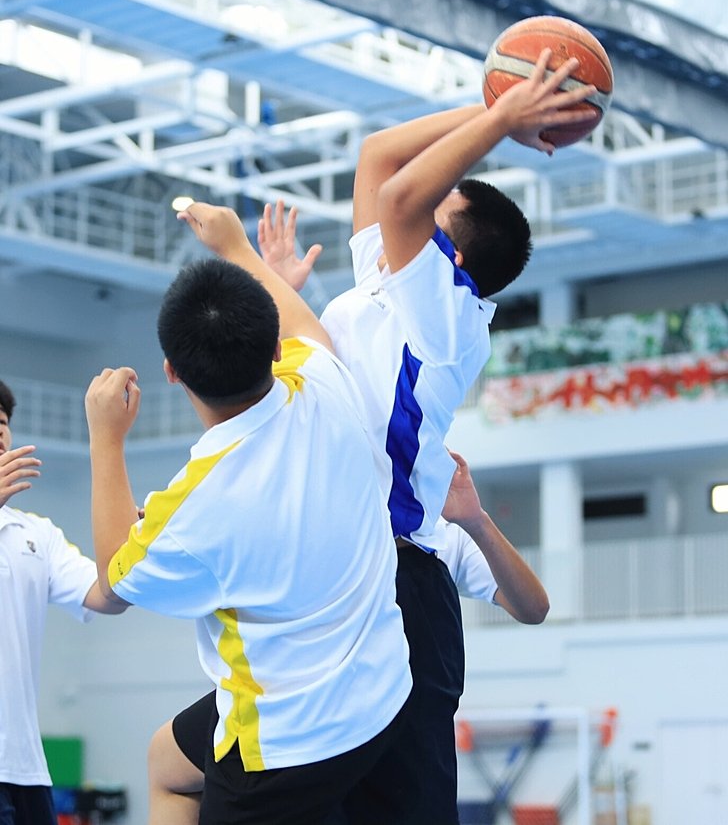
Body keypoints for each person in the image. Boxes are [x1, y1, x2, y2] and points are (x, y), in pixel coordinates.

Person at [155, 46, 583, 824]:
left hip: (402, 583)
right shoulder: (385, 285)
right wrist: (503, 100)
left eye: (436, 211)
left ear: (448, 255)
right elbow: (379, 158)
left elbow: (398, 192)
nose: (422, 201)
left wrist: (501, 121)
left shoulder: (449, 313)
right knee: (176, 763)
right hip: (340, 560)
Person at [83, 204, 412, 825]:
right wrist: (238, 246)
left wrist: (106, 439)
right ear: (271, 344)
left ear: (172, 372)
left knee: (190, 781)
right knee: (167, 760)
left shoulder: (198, 506)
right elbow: (306, 327)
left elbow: (113, 582)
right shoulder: (322, 382)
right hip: (383, 693)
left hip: (289, 741)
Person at [0, 379, 125, 825]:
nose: (0, 428)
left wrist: (141, 547)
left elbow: (107, 594)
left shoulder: (37, 533)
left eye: (3, 421)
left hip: (26, 771)